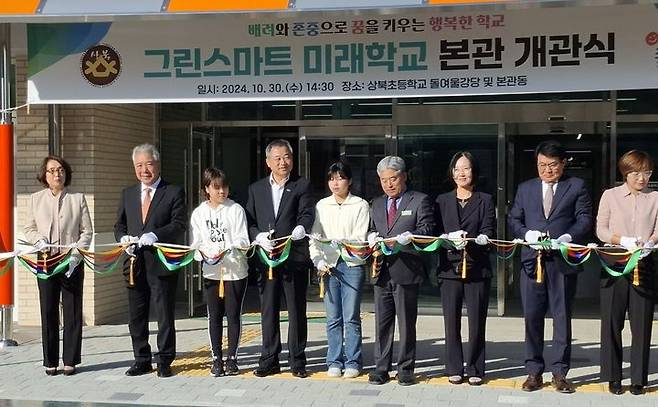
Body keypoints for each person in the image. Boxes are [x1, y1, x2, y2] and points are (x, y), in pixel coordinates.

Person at [509, 140, 592, 393]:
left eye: (552, 165)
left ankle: (560, 372)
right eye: (542, 165)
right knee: (532, 318)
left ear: (563, 163)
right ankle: (534, 371)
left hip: (562, 262)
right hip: (532, 262)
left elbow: (585, 218)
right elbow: (514, 218)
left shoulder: (576, 186)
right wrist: (527, 234)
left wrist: (567, 237)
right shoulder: (525, 188)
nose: (547, 170)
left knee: (561, 317)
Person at [114, 143, 186, 378]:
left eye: (149, 164)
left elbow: (178, 224)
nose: (144, 170)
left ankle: (165, 359)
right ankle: (141, 359)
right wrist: (122, 237)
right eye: (139, 165)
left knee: (164, 314)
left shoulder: (173, 191)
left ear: (157, 164)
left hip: (161, 262)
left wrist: (155, 235)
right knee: (136, 315)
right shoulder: (128, 193)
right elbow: (119, 224)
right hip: (134, 264)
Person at [245, 139, 315, 378]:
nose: (283, 162)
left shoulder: (301, 185)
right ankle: (269, 358)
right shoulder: (256, 189)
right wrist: (257, 236)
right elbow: (250, 221)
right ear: (268, 162)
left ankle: (297, 360)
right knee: (268, 309)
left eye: (287, 157)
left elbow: (307, 213)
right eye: (278, 158)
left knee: (296, 310)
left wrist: (301, 228)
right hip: (267, 259)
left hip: (293, 256)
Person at [367, 156, 435, 386]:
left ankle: (406, 368)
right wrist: (371, 237)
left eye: (393, 178)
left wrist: (410, 238)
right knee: (382, 323)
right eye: (384, 180)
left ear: (404, 177)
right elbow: (372, 229)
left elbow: (427, 229)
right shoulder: (376, 203)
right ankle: (381, 367)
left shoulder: (419, 200)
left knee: (406, 322)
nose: (389, 184)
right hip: (381, 271)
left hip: (407, 268)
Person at [596, 150, 658, 396]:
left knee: (642, 323)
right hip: (615, 263)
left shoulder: (655, 198)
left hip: (644, 264)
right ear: (625, 172)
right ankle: (613, 376)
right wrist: (621, 239)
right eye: (636, 173)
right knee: (612, 321)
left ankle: (638, 378)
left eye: (647, 173)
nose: (641, 178)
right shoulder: (610, 196)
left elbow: (657, 228)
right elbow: (601, 228)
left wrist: (651, 242)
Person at [24, 156, 93, 376]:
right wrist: (38, 240)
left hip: (70, 260)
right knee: (48, 310)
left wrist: (75, 254)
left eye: (61, 170)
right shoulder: (35, 199)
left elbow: (86, 231)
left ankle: (70, 360)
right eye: (52, 170)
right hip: (45, 259)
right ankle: (50, 360)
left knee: (72, 311)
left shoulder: (77, 198)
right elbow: (28, 228)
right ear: (45, 175)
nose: (57, 174)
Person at [435, 152, 495, 386]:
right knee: (451, 321)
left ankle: (476, 368)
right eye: (457, 169)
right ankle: (454, 367)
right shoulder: (441, 200)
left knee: (477, 321)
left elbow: (489, 230)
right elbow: (435, 232)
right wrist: (448, 238)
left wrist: (478, 239)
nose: (461, 173)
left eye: (466, 169)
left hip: (477, 268)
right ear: (451, 173)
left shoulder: (485, 199)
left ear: (474, 171)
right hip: (449, 268)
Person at [308, 162, 370, 378]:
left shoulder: (360, 205)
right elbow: (314, 237)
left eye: (340, 177)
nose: (336, 182)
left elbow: (361, 238)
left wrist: (341, 243)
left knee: (351, 316)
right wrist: (317, 260)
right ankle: (334, 360)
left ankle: (353, 360)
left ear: (349, 181)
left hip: (352, 264)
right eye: (332, 178)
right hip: (328, 267)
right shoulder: (322, 205)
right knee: (333, 317)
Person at [190, 168, 250, 377]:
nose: (221, 192)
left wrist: (232, 247)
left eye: (224, 187)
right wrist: (205, 254)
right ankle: (216, 357)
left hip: (235, 271)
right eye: (216, 188)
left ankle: (232, 357)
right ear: (206, 188)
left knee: (233, 315)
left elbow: (243, 239)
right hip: (212, 271)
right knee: (214, 316)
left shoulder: (236, 210)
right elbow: (196, 243)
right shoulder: (199, 213)